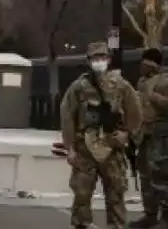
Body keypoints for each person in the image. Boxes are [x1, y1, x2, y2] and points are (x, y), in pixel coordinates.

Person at [60, 42, 142, 229]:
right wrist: (70, 148)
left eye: (102, 58)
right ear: (88, 61)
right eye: (95, 58)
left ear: (108, 59)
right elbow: (67, 116)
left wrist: (126, 135)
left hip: (112, 147)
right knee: (81, 194)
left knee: (116, 195)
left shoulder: (121, 86)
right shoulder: (78, 87)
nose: (99, 62)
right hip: (85, 149)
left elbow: (135, 112)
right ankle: (81, 224)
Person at [129, 47, 168, 228]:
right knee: (145, 176)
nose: (141, 67)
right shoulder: (141, 82)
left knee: (161, 176)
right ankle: (150, 214)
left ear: (152, 64)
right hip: (144, 135)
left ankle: (165, 217)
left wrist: (154, 97)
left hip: (160, 135)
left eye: (144, 64)